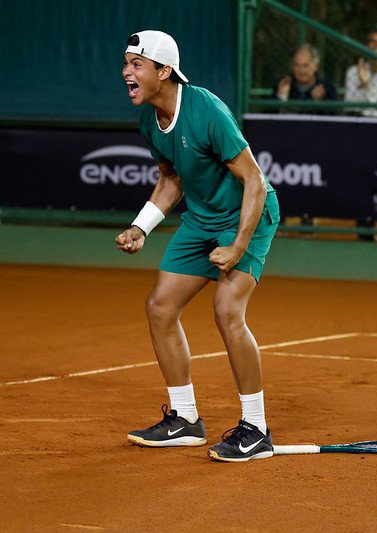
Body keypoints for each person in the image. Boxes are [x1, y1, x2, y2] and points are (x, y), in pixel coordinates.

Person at [116, 30, 280, 462]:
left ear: (164, 71)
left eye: (136, 65)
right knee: (160, 307)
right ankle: (185, 420)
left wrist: (238, 246)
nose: (126, 72)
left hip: (247, 214)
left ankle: (256, 427)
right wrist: (142, 226)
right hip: (203, 218)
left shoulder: (205, 108)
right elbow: (172, 178)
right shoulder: (150, 119)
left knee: (227, 310)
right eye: (126, 63)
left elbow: (255, 181)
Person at [273, 43, 338, 112]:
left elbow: (332, 118)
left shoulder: (327, 87)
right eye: (296, 65)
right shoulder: (283, 84)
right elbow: (268, 117)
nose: (301, 70)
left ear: (316, 67)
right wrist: (281, 97)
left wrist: (320, 103)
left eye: (305, 66)